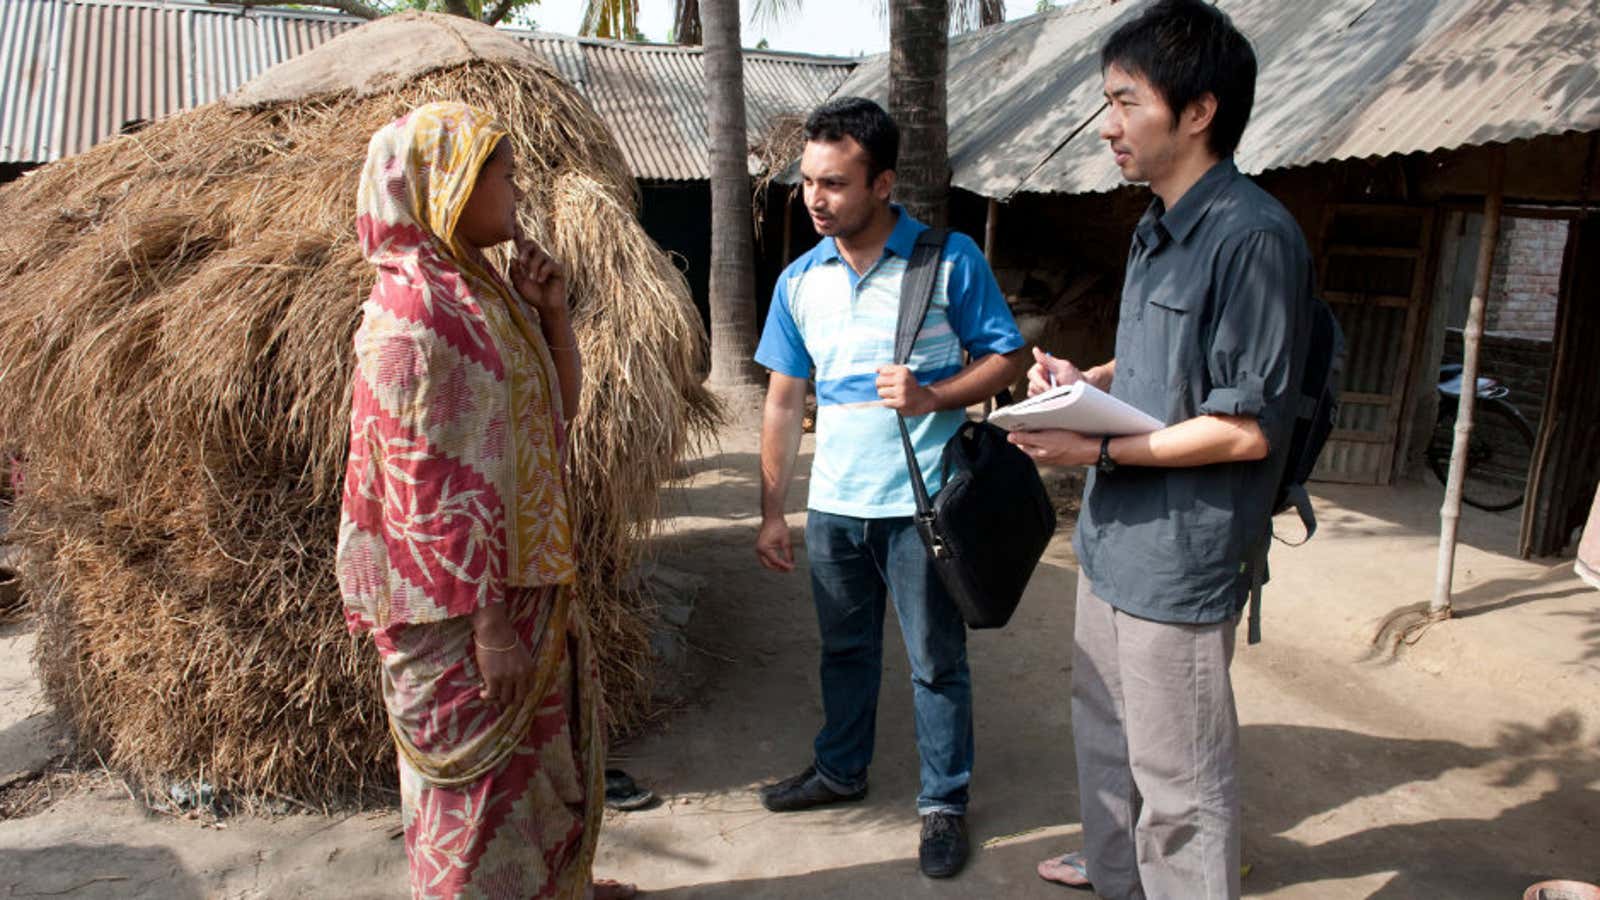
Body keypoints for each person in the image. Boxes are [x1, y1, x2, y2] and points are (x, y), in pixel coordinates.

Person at [1015, 4, 1313, 898]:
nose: (1106, 124)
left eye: (1124, 100)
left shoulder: (1253, 238)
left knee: (1182, 782)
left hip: (1182, 555)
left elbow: (1246, 425)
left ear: (1197, 112)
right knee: (1105, 740)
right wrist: (1086, 379)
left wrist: (1093, 450)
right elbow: (1159, 365)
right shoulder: (1156, 225)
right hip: (1114, 544)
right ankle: (1116, 879)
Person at [337, 101, 634, 900]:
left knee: (531, 783)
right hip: (463, 615)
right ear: (449, 186)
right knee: (473, 809)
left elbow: (553, 410)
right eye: (501, 173)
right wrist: (490, 625)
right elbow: (417, 490)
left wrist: (553, 315)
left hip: (515, 585)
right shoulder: (412, 315)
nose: (513, 188)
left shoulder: (482, 293)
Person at [752, 96, 1027, 879]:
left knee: (936, 662)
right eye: (807, 181)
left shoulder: (948, 261)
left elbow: (1005, 355)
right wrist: (774, 510)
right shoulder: (800, 280)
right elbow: (782, 398)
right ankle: (841, 771)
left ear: (882, 183)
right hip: (836, 508)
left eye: (834, 183)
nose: (814, 198)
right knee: (843, 651)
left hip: (923, 507)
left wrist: (936, 395)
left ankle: (943, 804)